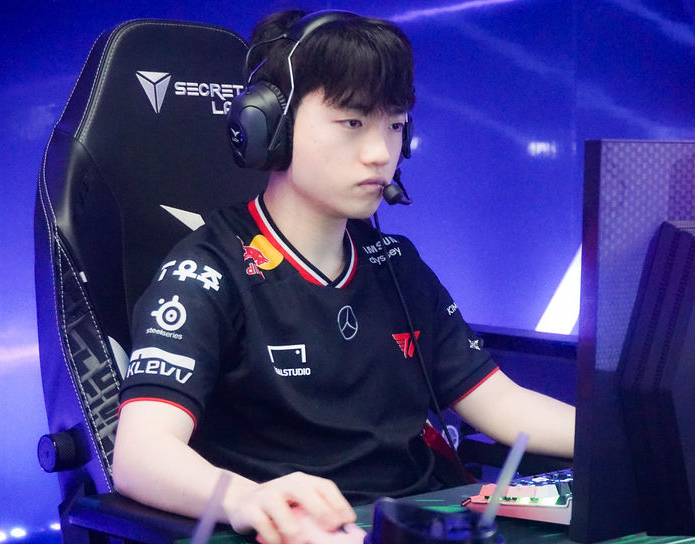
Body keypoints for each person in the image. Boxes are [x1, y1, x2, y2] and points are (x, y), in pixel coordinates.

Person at [112, 9, 575, 544]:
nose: (381, 153)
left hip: (412, 524)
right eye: (352, 123)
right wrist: (249, 500)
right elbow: (140, 454)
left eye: (395, 125)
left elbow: (503, 405)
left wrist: (626, 436)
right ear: (271, 127)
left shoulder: (396, 263)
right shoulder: (207, 271)